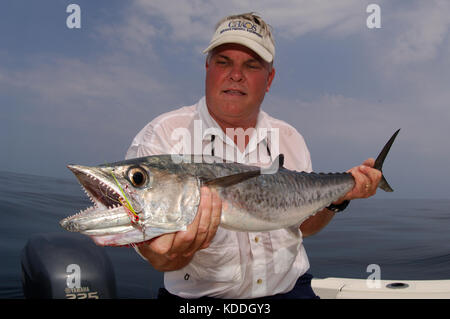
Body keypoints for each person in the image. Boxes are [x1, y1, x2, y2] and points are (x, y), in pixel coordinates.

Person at [125, 12, 381, 299]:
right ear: (207, 68)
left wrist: (339, 199)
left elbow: (303, 227)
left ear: (269, 79)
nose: (236, 75)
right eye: (223, 62)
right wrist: (170, 254)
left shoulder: (290, 138)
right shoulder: (162, 136)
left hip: (291, 291)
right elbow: (156, 254)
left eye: (251, 65)